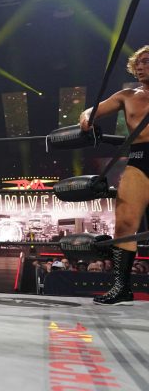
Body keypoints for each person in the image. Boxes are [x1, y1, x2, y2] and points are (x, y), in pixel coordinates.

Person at [79, 45, 149, 305]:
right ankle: (121, 287)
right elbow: (91, 111)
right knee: (125, 223)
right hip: (140, 158)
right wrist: (86, 119)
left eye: (146, 61)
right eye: (138, 63)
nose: (140, 66)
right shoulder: (127, 95)